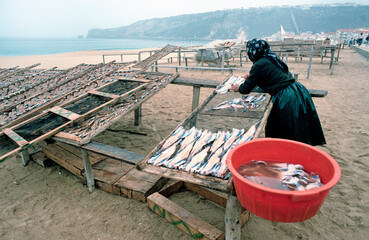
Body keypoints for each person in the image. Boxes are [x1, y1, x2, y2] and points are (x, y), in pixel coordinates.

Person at [230, 38, 326, 146]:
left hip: (287, 97)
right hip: (298, 90)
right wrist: (252, 77)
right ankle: (300, 147)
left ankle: (287, 150)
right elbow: (272, 74)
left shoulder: (259, 65)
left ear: (251, 52)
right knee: (299, 125)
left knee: (283, 128)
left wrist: (237, 87)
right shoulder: (271, 56)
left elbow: (245, 89)